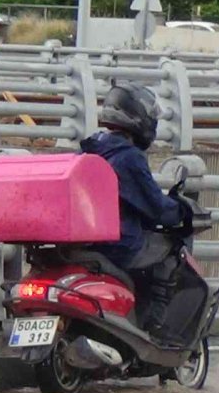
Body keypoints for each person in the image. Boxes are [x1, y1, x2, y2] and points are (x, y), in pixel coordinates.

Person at [79, 83, 190, 348]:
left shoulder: (89, 150)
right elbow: (156, 207)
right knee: (170, 253)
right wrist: (182, 211)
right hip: (118, 244)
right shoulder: (128, 157)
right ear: (139, 118)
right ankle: (154, 326)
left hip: (83, 241)